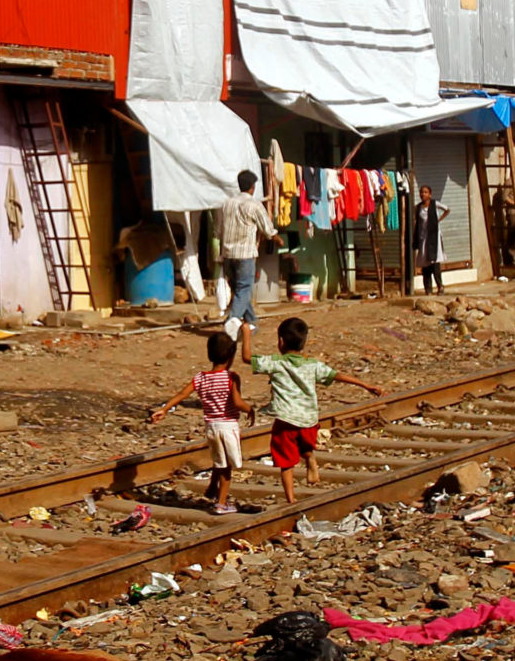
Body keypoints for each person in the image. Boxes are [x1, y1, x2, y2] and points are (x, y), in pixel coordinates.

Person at [250, 318, 382, 504]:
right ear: (304, 342)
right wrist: (366, 385)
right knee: (304, 446)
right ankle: (310, 458)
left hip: (285, 420)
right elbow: (337, 375)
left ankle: (291, 499)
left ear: (280, 341)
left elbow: (247, 358)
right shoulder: (312, 365)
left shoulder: (275, 363)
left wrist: (246, 333)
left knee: (286, 462)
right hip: (309, 420)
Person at [151, 332, 249, 514]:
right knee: (227, 466)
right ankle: (221, 504)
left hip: (211, 427)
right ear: (231, 356)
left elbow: (182, 394)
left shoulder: (201, 378)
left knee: (219, 459)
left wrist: (164, 409)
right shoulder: (232, 378)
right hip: (228, 426)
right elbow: (237, 402)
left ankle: (212, 488)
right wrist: (250, 409)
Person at [215, 170, 270, 355]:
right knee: (244, 289)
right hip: (245, 254)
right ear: (252, 187)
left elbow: (218, 230)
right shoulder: (254, 205)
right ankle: (232, 321)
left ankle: (251, 322)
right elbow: (267, 228)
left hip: (228, 254)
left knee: (239, 290)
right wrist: (275, 236)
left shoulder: (226, 204)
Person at [410, 183, 449, 293]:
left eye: (426, 192)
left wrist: (438, 220)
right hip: (424, 238)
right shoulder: (418, 208)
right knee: (425, 264)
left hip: (434, 237)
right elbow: (416, 222)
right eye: (421, 192)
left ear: (430, 194)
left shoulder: (434, 204)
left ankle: (440, 287)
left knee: (435, 262)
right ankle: (428, 288)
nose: (423, 194)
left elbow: (447, 209)